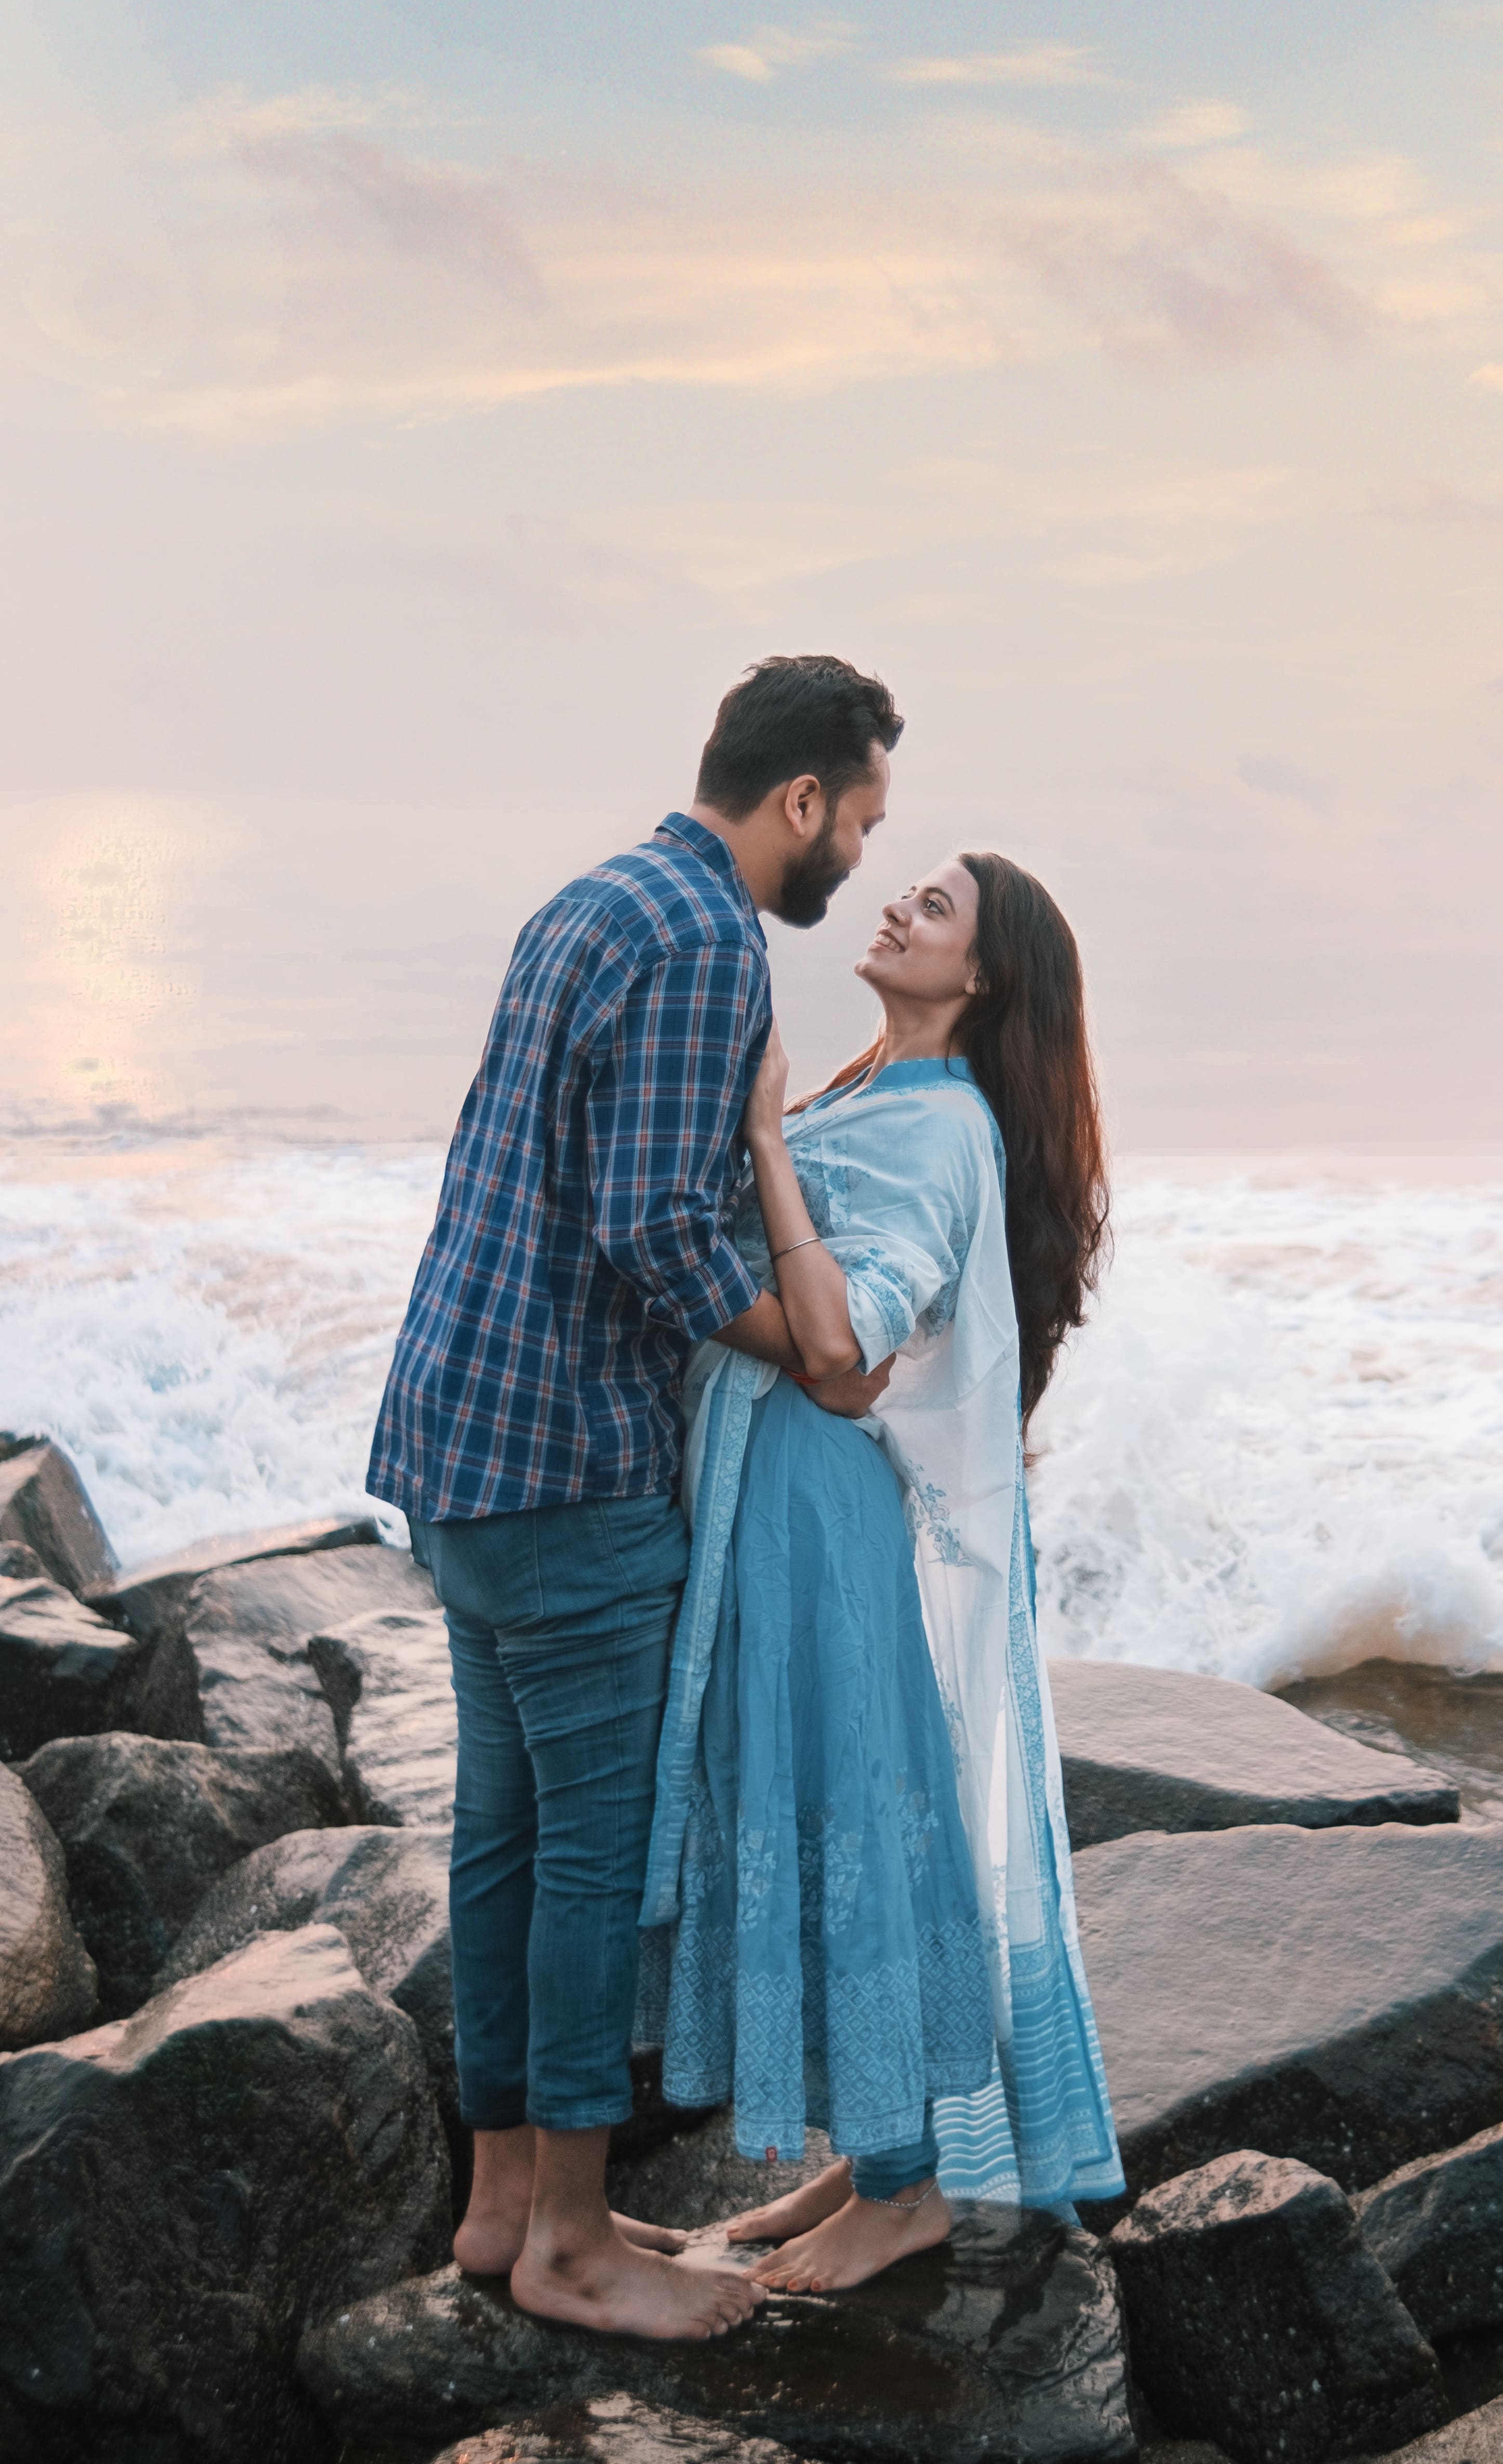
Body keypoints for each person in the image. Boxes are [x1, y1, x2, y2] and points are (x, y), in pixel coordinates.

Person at [365, 654, 902, 2341]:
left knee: (508, 1841)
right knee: (594, 1859)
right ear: (800, 798)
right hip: (568, 1460)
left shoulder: (594, 901)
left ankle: (508, 2201)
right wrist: (818, 1358)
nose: (863, 862)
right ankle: (580, 2248)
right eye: (863, 821)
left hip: (461, 1435)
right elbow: (654, 1230)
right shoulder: (704, 942)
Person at [637, 848, 1125, 2289]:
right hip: (783, 1504)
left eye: (937, 909)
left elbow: (852, 1353)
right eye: (904, 888)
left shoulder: (935, 1126)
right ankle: (873, 2151)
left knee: (854, 1806)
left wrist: (767, 1143)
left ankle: (907, 2193)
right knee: (831, 1797)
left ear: (982, 979)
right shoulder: (876, 1086)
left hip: (824, 1514)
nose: (899, 907)